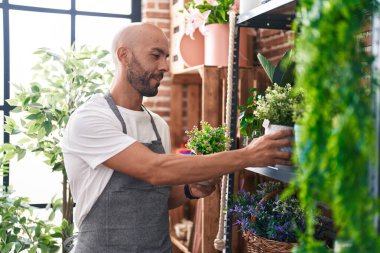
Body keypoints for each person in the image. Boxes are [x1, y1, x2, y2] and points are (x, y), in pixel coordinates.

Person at [61, 23, 293, 253]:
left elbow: (154, 198)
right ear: (124, 56)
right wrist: (247, 155)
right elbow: (155, 169)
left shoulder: (157, 125)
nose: (164, 66)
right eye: (155, 56)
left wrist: (187, 191)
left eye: (166, 57)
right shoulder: (91, 119)